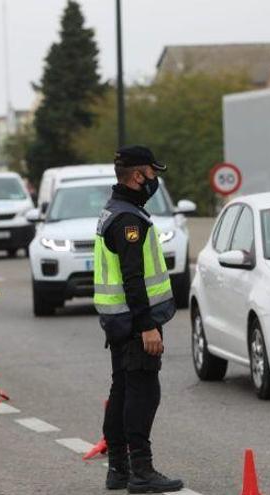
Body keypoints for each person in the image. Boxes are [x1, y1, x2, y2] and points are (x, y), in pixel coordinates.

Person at [93, 145, 183, 493]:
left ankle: (118, 468)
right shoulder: (129, 219)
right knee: (143, 392)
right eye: (152, 174)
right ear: (137, 176)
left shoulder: (114, 210)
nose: (155, 180)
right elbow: (133, 277)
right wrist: (147, 325)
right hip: (133, 322)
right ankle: (141, 471)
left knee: (122, 390)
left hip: (118, 321)